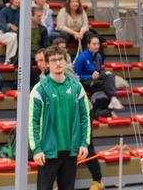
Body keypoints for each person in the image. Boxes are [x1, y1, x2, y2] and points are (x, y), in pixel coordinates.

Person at [29, 44, 89, 190]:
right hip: (48, 152)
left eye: (60, 59)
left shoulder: (76, 87)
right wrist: (36, 149)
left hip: (71, 151)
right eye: (53, 60)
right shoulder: (40, 89)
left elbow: (84, 117)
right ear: (47, 64)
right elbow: (33, 122)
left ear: (65, 61)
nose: (57, 63)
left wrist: (84, 143)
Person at [73, 33, 123, 113]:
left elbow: (99, 71)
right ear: (88, 45)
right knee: (108, 80)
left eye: (98, 44)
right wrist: (90, 77)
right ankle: (112, 100)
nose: (97, 46)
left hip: (95, 80)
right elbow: (75, 75)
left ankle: (112, 101)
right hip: (85, 82)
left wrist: (99, 75)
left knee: (108, 75)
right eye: (94, 44)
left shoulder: (99, 56)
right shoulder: (82, 57)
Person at [0, 0, 20, 65]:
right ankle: (9, 59)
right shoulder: (4, 11)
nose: (19, 1)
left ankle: (12, 60)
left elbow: (19, 28)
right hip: (2, 34)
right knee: (13, 36)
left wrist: (10, 25)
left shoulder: (22, 11)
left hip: (16, 34)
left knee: (15, 36)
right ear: (11, 0)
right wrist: (12, 27)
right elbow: (4, 28)